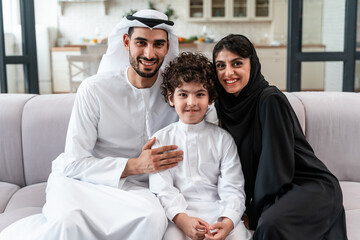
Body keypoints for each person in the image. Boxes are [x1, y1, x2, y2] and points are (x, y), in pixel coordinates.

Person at [0, 9, 184, 240]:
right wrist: (135, 165)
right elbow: (74, 163)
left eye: (158, 44)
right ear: (126, 42)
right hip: (83, 182)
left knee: (152, 219)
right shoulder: (94, 90)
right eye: (141, 42)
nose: (149, 53)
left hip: (138, 189)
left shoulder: (178, 94)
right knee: (68, 223)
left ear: (167, 48)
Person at [212, 34, 347, 239]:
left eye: (237, 63)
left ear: (253, 64)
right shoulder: (225, 106)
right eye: (220, 66)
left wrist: (255, 212)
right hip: (276, 189)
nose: (228, 72)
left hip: (306, 185)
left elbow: (275, 164)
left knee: (270, 226)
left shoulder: (270, 99)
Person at [149, 52, 252, 240]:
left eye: (200, 94)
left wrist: (228, 222)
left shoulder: (223, 139)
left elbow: (233, 187)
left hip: (219, 214)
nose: (192, 102)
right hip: (179, 216)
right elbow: (162, 189)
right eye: (183, 94)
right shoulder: (161, 140)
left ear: (210, 98)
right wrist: (183, 220)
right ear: (171, 98)